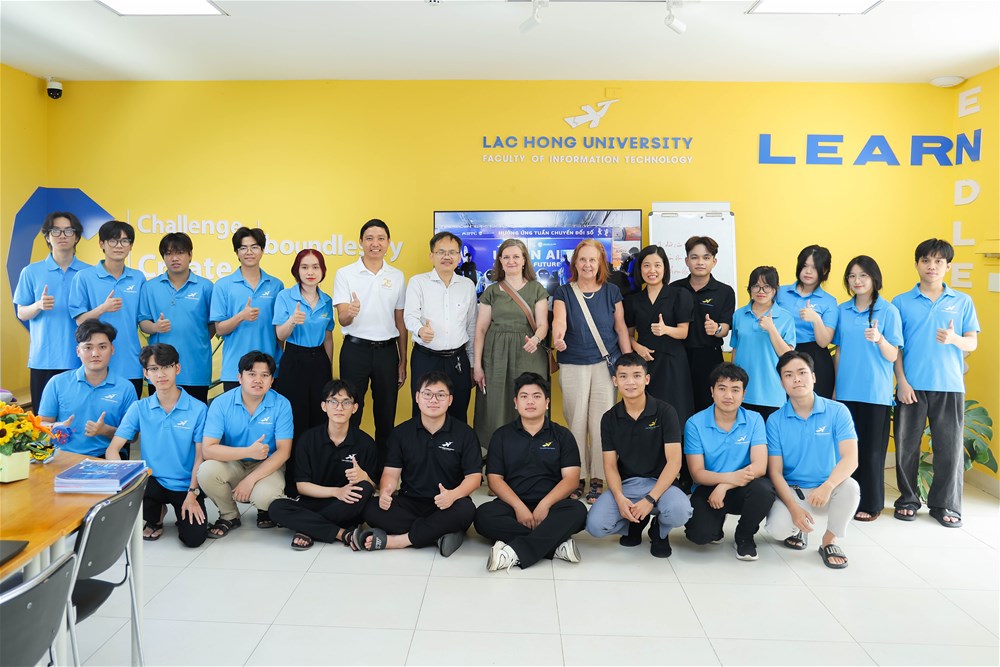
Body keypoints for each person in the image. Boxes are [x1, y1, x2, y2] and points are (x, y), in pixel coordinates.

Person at [892, 239, 979, 527]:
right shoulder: (901, 302)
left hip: (949, 385)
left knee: (949, 449)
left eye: (939, 261)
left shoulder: (962, 301)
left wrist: (954, 339)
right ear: (917, 264)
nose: (932, 266)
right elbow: (897, 348)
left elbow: (972, 342)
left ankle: (945, 505)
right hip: (912, 386)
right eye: (926, 260)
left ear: (948, 267)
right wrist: (901, 381)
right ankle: (908, 499)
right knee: (906, 446)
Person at [358, 372, 480, 556]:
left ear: (450, 400)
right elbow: (391, 473)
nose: (433, 400)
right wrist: (385, 492)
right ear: (417, 397)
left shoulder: (465, 434)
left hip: (448, 502)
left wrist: (453, 495)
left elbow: (474, 477)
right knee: (370, 508)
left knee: (466, 510)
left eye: (440, 395)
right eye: (427, 394)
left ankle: (400, 540)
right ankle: (438, 534)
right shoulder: (401, 433)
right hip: (410, 502)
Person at [474, 373, 588, 571]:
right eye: (524, 396)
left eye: (536, 396)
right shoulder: (502, 435)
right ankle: (555, 546)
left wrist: (545, 504)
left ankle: (512, 552)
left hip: (552, 505)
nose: (530, 401)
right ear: (515, 403)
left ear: (547, 402)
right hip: (512, 505)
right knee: (483, 516)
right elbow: (494, 479)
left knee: (578, 512)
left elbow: (571, 479)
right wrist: (519, 507)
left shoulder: (562, 435)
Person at [585, 354, 693, 558]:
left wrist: (650, 499)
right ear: (615, 381)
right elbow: (610, 465)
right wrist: (619, 498)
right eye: (623, 376)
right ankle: (633, 524)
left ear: (647, 379)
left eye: (636, 375)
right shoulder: (609, 418)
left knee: (680, 512)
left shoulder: (665, 411)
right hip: (627, 484)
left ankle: (659, 530)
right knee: (595, 526)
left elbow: (674, 462)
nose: (630, 382)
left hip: (662, 484)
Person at [552, 240, 632, 503]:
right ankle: (577, 477)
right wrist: (558, 338)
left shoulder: (612, 292)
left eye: (592, 260)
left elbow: (620, 328)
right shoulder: (564, 292)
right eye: (583, 259)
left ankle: (598, 477)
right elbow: (559, 321)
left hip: (605, 365)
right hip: (573, 363)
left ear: (600, 264)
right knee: (576, 422)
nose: (587, 264)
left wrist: (627, 364)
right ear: (575, 263)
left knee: (600, 425)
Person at [105, 344, 208, 547]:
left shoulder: (198, 409)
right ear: (146, 374)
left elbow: (200, 456)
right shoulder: (139, 408)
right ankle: (155, 515)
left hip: (185, 484)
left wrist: (192, 493)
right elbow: (112, 450)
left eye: (166, 367)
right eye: (153, 369)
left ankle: (177, 509)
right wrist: (125, 484)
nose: (160, 374)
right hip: (152, 482)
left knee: (194, 539)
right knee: (133, 493)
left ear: (177, 368)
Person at [765, 351, 859, 569]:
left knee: (851, 487)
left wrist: (829, 485)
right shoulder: (775, 420)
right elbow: (775, 471)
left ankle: (829, 541)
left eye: (802, 373)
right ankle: (799, 528)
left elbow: (851, 458)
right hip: (793, 492)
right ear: (782, 383)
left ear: (814, 377)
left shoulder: (837, 411)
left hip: (827, 490)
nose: (796, 379)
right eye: (788, 375)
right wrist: (793, 507)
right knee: (778, 529)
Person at [332, 219, 407, 480]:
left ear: (388, 243)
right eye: (370, 238)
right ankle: (349, 471)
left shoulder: (397, 276)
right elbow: (342, 319)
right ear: (361, 242)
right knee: (350, 412)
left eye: (381, 238)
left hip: (387, 351)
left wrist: (403, 361)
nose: (375, 243)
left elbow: (400, 322)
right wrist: (350, 312)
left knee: (386, 415)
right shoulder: (345, 273)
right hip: (355, 350)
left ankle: (382, 474)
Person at [268, 379, 377, 551]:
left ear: (355, 408)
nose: (339, 407)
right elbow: (302, 486)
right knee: (276, 508)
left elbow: (372, 488)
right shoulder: (308, 440)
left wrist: (364, 478)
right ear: (324, 406)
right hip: (313, 502)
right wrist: (336, 492)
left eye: (346, 402)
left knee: (365, 488)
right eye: (333, 402)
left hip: (345, 506)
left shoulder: (366, 443)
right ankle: (342, 533)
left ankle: (306, 528)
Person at [834, 256, 903, 521]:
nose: (857, 281)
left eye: (863, 275)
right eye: (852, 276)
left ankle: (871, 504)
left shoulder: (888, 311)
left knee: (872, 452)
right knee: (847, 451)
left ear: (874, 278)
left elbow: (893, 354)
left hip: (875, 392)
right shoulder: (842, 310)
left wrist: (880, 339)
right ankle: (847, 501)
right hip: (846, 391)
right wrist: (836, 388)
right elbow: (839, 351)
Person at [683, 363, 775, 560]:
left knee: (764, 490)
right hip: (709, 488)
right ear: (712, 391)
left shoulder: (755, 419)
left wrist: (725, 485)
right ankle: (716, 526)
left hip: (744, 485)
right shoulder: (695, 423)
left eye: (735, 390)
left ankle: (744, 536)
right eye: (722, 388)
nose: (728, 396)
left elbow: (760, 467)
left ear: (743, 394)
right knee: (699, 535)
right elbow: (697, 473)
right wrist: (725, 481)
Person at [198, 351, 293, 538]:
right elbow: (208, 449)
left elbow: (284, 452)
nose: (258, 380)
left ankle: (264, 509)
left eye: (264, 375)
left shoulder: (281, 404)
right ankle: (229, 514)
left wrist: (250, 480)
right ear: (240, 378)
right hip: (233, 463)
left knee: (265, 498)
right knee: (206, 471)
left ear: (271, 380)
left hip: (267, 465)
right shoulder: (221, 403)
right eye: (251, 374)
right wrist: (248, 451)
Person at [472, 239, 549, 450]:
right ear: (500, 261)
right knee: (495, 403)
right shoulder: (491, 291)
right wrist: (477, 365)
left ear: (524, 260)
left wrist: (536, 339)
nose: (511, 261)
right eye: (506, 257)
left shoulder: (536, 289)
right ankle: (497, 452)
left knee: (528, 399)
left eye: (516, 256)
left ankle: (531, 452)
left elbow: (543, 324)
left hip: (528, 353)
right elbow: (480, 330)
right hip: (495, 355)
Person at [14, 212, 90, 409]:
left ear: (76, 236)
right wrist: (38, 305)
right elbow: (21, 312)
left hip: (81, 358)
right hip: (43, 359)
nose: (62, 235)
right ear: (47, 236)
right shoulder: (31, 271)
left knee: (77, 417)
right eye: (56, 230)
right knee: (43, 419)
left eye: (68, 230)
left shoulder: (89, 273)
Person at [273, 249, 335, 494]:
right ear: (296, 271)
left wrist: (329, 369)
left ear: (322, 271)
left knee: (320, 419)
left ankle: (317, 478)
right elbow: (280, 335)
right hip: (294, 358)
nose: (310, 272)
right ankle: (293, 482)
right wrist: (292, 321)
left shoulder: (327, 300)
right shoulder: (285, 297)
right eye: (305, 267)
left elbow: (328, 337)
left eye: (315, 267)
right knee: (296, 419)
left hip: (319, 359)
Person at [405, 232, 477, 423]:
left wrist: (471, 363)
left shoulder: (467, 285)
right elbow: (410, 316)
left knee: (458, 412)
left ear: (459, 257)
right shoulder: (418, 282)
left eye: (452, 252)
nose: (447, 256)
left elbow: (471, 326)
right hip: (426, 358)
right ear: (432, 256)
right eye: (441, 252)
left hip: (458, 360)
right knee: (423, 413)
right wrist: (420, 330)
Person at [68, 220, 146, 398]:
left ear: (131, 246)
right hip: (95, 362)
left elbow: (142, 319)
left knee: (130, 414)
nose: (119, 246)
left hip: (130, 362)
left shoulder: (138, 277)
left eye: (124, 241)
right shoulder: (84, 277)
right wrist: (103, 308)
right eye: (113, 240)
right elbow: (80, 321)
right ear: (102, 244)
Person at [37, 319, 137, 457]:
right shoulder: (57, 383)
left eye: (102, 347)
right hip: (63, 458)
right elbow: (40, 424)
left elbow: (133, 437)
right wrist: (55, 426)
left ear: (112, 349)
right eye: (88, 348)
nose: (95, 353)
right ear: (78, 351)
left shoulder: (126, 388)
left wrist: (106, 430)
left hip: (105, 458)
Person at [138, 233, 214, 404]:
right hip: (160, 368)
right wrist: (155, 328)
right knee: (159, 415)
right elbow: (143, 322)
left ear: (190, 255)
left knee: (195, 416)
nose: (174, 258)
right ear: (163, 257)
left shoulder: (206, 287)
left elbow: (213, 324)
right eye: (169, 253)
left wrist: (197, 338)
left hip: (196, 369)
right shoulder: (150, 287)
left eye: (180, 252)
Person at [624, 245, 695, 426]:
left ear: (665, 268)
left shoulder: (679, 295)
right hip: (645, 364)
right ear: (640, 269)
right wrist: (637, 347)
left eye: (657, 265)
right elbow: (627, 335)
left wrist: (666, 329)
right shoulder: (633, 300)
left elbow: (684, 332)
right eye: (646, 265)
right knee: (647, 417)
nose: (652, 270)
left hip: (673, 364)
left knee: (676, 415)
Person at [210, 227, 283, 392]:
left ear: (262, 250)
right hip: (234, 370)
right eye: (243, 248)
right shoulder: (223, 285)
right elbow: (219, 329)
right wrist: (241, 316)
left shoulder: (276, 285)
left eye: (254, 247)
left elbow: (279, 331)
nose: (249, 252)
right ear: (237, 252)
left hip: (269, 370)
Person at [670, 236, 736, 413]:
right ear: (687, 261)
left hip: (709, 357)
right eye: (694, 257)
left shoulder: (725, 291)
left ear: (714, 261)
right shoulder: (674, 289)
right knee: (678, 406)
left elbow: (725, 327)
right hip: (678, 356)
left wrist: (717, 329)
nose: (700, 262)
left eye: (706, 257)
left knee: (708, 407)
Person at [731, 266, 795, 420]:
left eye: (767, 286)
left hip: (772, 392)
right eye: (756, 286)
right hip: (742, 391)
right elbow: (735, 350)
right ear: (750, 289)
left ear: (775, 289)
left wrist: (771, 329)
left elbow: (788, 356)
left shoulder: (785, 317)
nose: (761, 291)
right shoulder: (739, 315)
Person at [776, 245, 839, 398]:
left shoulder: (829, 301)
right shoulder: (780, 292)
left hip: (815, 356)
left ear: (824, 270)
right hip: (782, 350)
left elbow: (824, 342)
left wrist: (816, 319)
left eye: (814, 267)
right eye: (804, 266)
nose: (808, 271)